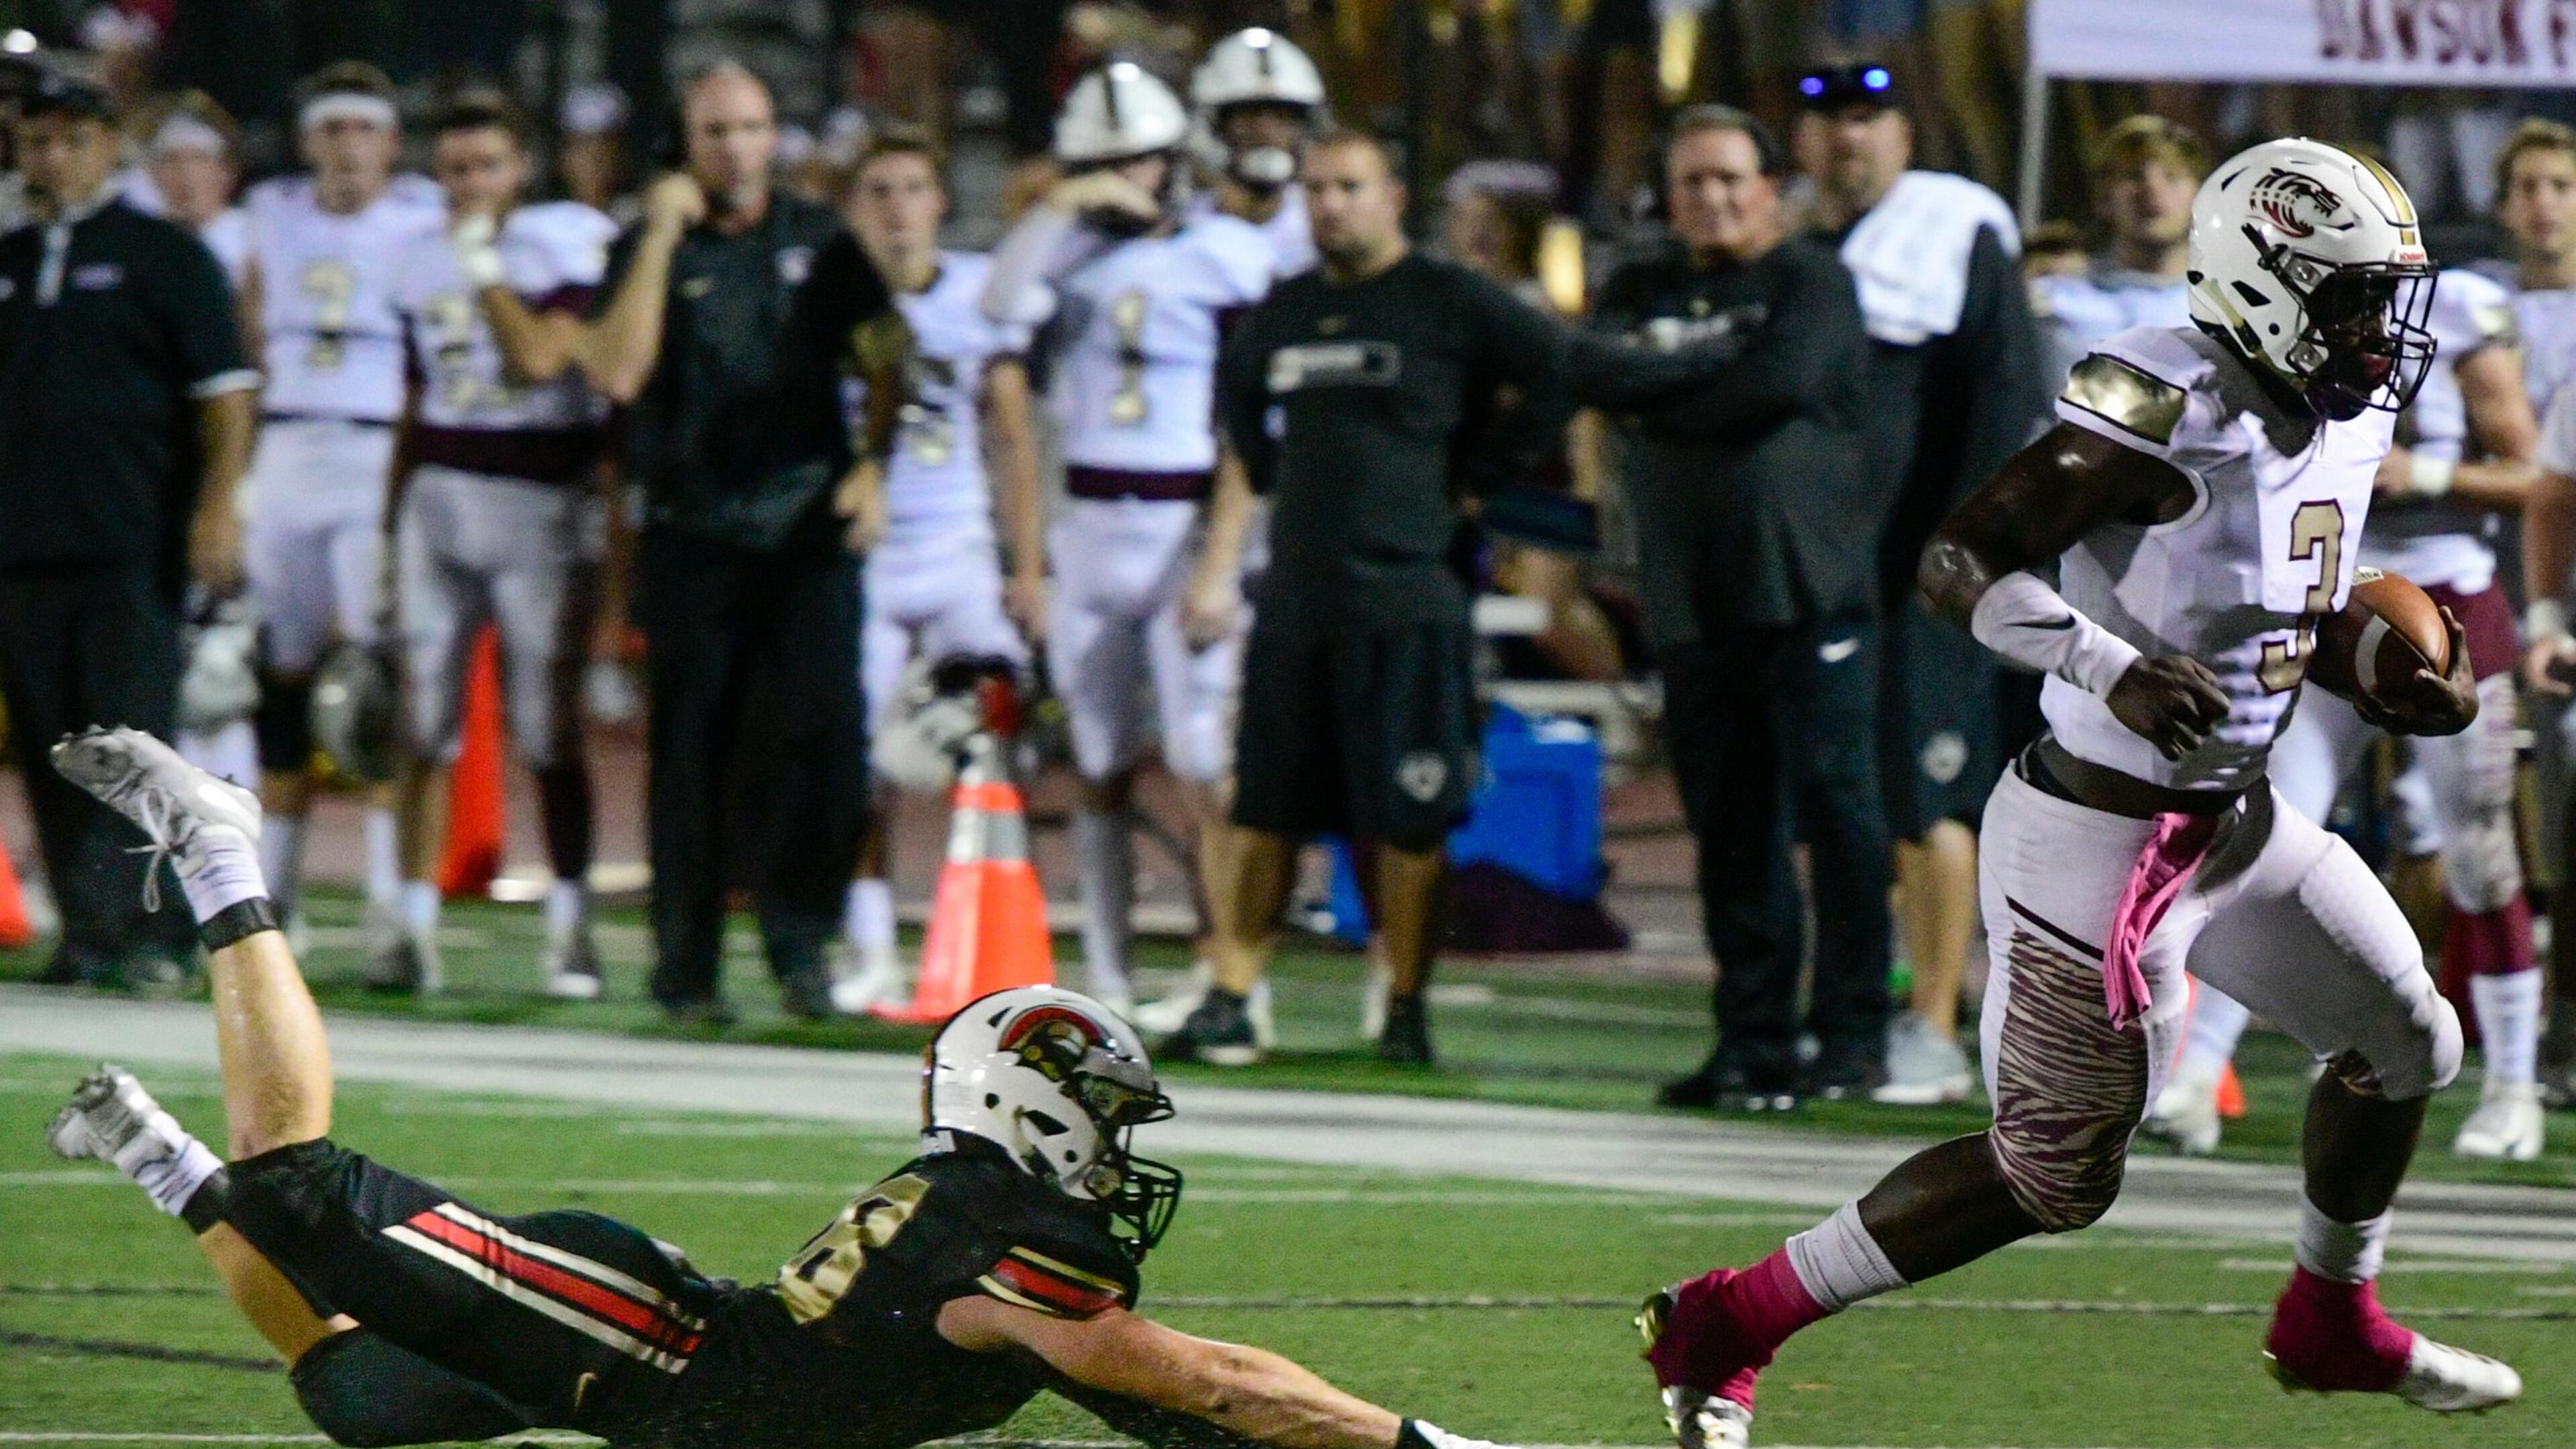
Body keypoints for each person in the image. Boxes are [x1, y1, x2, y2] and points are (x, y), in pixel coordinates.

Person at [1638, 140, 2520, 1449]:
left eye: (2382, 296)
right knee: (2054, 1173)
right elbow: (1957, 560)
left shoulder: (2350, 401)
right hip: (2094, 837)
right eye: (2344, 297)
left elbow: (2292, 599)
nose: (2375, 330)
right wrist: (2108, 668)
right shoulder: (2165, 399)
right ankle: (1728, 1317)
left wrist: (2392, 673)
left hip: (2233, 822)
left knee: (2409, 1046)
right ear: (2266, 284)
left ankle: (2330, 1315)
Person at [42, 726, 1518, 1449]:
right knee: (301, 1183)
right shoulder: (1003, 1228)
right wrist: (1423, 1442)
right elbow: (1203, 1379)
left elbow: (1182, 1416)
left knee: (358, 1392)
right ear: (1039, 1101)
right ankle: (225, 850)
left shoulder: (977, 1209)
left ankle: (158, 1157)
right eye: (1108, 1120)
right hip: (651, 1348)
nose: (1115, 1160)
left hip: (676, 1380)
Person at [1165, 131, 1569, 1066]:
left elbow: (1553, 368)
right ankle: (1233, 991)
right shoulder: (1292, 307)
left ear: (1392, 194)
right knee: (1264, 807)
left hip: (1409, 596)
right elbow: (1237, 392)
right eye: (1316, 189)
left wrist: (1488, 474)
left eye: (1349, 187)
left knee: (1410, 814)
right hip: (1300, 600)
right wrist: (1263, 468)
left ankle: (1405, 1004)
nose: (1331, 205)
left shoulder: (1448, 298)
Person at [2153, 261, 2544, 1162]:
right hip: (2329, 605)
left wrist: (2426, 469)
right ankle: (2195, 1074)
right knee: (2261, 838)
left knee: (2479, 852)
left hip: (2437, 607)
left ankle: (2515, 1084)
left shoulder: (2449, 316)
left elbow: (2531, 471)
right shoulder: (2266, 324)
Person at [1576, 107, 1886, 1113]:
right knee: (1733, 832)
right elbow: (1595, 372)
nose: (1711, 198)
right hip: (1695, 601)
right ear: (1669, 199)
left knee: (1840, 819)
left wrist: (1661, 390)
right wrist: (1704, 381)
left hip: (1808, 590)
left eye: (1729, 178)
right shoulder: (1637, 285)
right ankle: (1752, 1042)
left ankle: (1850, 1038)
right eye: (1692, 182)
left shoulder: (1813, 279)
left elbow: (1782, 382)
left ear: (1767, 187)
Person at [582, 61, 896, 1024]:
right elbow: (621, 371)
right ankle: (687, 967)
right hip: (694, 531)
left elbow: (890, 358)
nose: (737, 149)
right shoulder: (648, 246)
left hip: (804, 530)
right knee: (692, 754)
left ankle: (803, 951)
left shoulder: (820, 239)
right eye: (717, 131)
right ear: (686, 144)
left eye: (752, 127)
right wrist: (664, 233)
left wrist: (873, 464)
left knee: (820, 742)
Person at [979, 64, 1275, 1018]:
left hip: (1185, 526)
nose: (1126, 179)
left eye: (1138, 159)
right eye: (1104, 163)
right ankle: (1107, 979)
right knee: (1099, 760)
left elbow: (1252, 416)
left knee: (1202, 762)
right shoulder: (1057, 253)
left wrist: (1229, 554)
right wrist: (1060, 203)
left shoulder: (1227, 251)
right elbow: (997, 309)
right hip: (1090, 528)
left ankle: (1227, 967)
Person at [1793, 60, 2045, 1108]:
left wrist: (1967, 555)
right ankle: (1855, 1014)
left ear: (1904, 133)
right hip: (1828, 570)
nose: (1848, 139)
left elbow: (2010, 395)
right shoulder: (1804, 249)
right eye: (1828, 122)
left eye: (1869, 117)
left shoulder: (1953, 231)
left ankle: (1935, 1025)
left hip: (1928, 573)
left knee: (1932, 791)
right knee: (1848, 798)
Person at [0, 70, 256, 989]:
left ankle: (156, 934)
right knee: (49, 746)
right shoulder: (16, 256)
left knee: (134, 748)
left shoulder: (165, 256)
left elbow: (225, 400)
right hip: (23, 545)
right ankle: (87, 932)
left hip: (129, 541)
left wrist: (217, 509)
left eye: (73, 140)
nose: (54, 158)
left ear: (112, 147)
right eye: (38, 141)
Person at [382, 92, 619, 1001]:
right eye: (456, 170)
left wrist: (484, 269)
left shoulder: (561, 239)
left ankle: (571, 928)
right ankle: (408, 926)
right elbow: (413, 402)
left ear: (521, 168)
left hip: (539, 501)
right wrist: (385, 518)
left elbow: (541, 361)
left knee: (546, 727)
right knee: (421, 720)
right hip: (440, 494)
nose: (471, 185)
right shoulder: (412, 254)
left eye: (487, 166)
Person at [235, 61, 445, 982]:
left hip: (371, 454)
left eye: (365, 128)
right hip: (284, 447)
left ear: (391, 143)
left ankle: (388, 910)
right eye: (333, 129)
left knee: (375, 689)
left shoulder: (424, 218)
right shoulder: (271, 213)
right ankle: (272, 901)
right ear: (308, 140)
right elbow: (242, 322)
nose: (349, 147)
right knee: (278, 676)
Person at [828, 127, 1044, 1014]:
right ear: (854, 206)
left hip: (954, 547)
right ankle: (872, 944)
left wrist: (1026, 566)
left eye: (912, 187)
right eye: (878, 189)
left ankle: (999, 932)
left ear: (940, 201)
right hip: (868, 558)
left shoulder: (974, 296)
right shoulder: (828, 299)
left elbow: (1012, 438)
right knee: (854, 758)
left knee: (998, 725)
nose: (896, 207)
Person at [2491, 118, 2576, 1108]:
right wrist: (2547, 612)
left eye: (2563, 182)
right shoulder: (2482, 308)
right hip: (2496, 585)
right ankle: (2551, 1041)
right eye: (2531, 185)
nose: (2547, 202)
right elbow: (2550, 490)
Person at [2027, 115, 2204, 387]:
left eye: (2172, 177)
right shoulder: (2051, 303)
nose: (2153, 190)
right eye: (2134, 176)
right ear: (2103, 199)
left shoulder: (2233, 314)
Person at [1190, 27, 1324, 276]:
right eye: (1247, 115)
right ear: (1215, 127)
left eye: (1282, 117)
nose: (1265, 131)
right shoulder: (1186, 228)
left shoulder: (1323, 218)